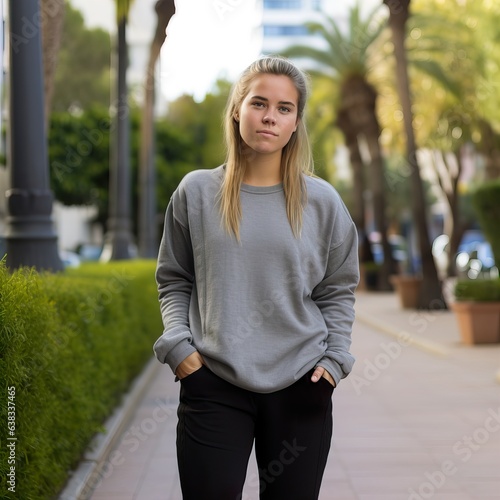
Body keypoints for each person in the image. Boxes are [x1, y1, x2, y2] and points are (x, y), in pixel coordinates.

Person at [154, 56, 359, 500]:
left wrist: (334, 362)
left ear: (295, 123)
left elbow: (338, 289)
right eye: (259, 103)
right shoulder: (196, 193)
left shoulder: (322, 202)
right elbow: (174, 277)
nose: (270, 116)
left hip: (302, 386)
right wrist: (180, 350)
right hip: (212, 383)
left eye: (284, 108)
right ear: (237, 109)